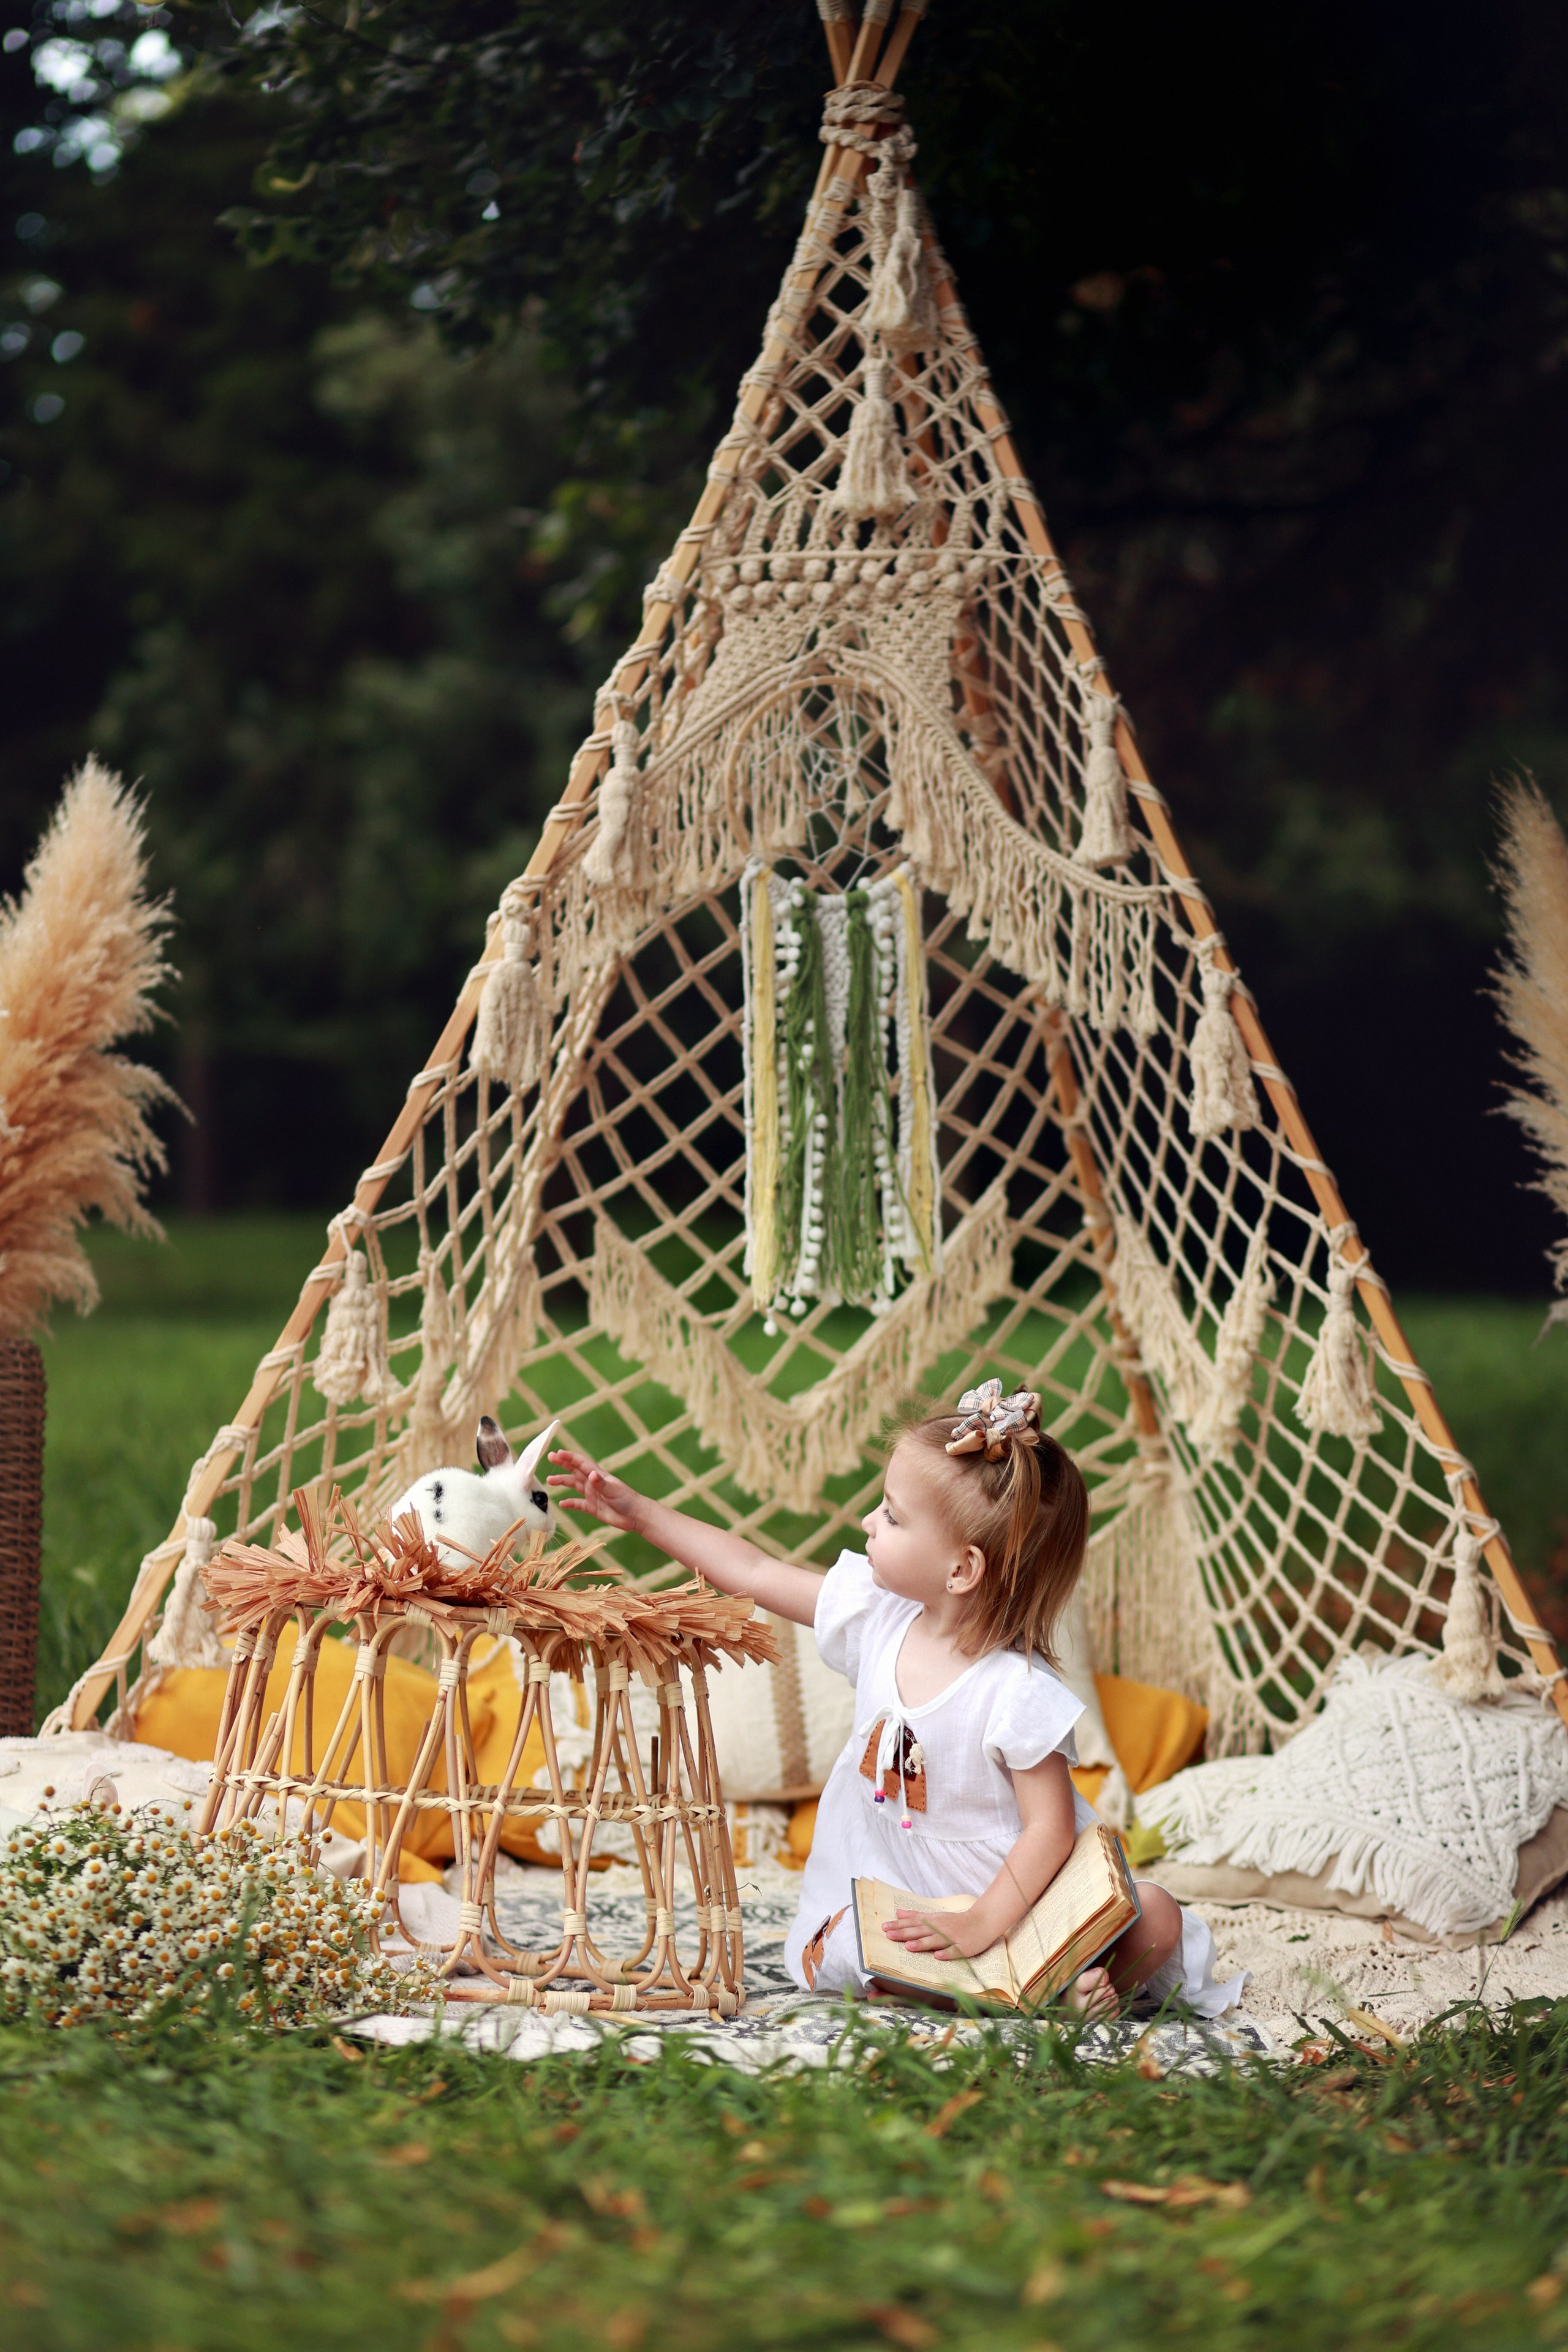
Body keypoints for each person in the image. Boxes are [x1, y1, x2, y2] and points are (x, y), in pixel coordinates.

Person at [548, 1379, 1243, 2017]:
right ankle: (1020, 1993)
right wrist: (639, 1514)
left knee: (1154, 1913)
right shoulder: (876, 1617)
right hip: (903, 1891)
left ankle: (1067, 1986)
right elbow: (753, 1570)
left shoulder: (1017, 1690)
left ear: (962, 1569)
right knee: (858, 1946)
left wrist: (981, 1923)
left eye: (892, 1516)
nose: (868, 1524)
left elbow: (1049, 1832)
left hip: (1018, 1897)